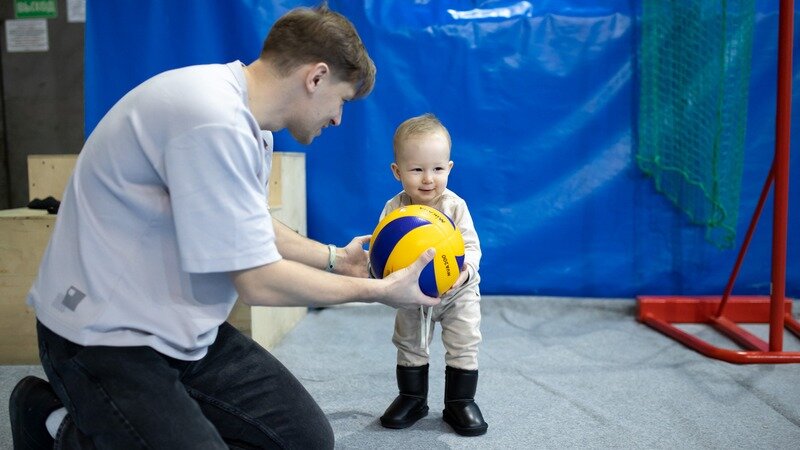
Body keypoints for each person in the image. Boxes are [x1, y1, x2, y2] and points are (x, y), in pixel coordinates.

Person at [9, 4, 441, 449]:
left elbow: (248, 225)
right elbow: (258, 282)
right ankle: (51, 421)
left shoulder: (250, 124)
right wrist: (378, 292)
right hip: (101, 337)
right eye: (342, 101)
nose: (337, 118)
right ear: (315, 78)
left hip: (181, 331)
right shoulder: (210, 118)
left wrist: (337, 259)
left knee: (303, 441)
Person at [377, 113, 487, 436]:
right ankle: (412, 398)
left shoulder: (456, 207)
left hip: (458, 292)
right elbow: (384, 251)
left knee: (465, 340)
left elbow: (472, 248)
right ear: (398, 172)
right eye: (417, 169)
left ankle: (459, 402)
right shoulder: (394, 211)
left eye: (438, 169)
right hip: (411, 293)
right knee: (409, 342)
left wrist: (463, 274)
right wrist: (380, 273)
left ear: (449, 169)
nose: (428, 179)